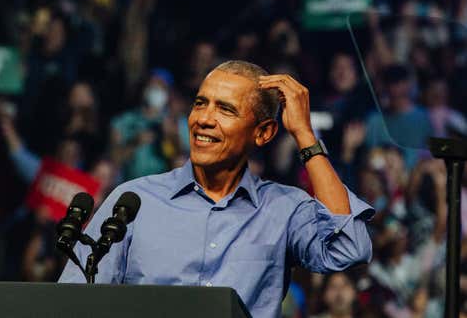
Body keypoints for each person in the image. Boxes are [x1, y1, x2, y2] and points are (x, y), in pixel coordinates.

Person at [59, 60, 374, 317]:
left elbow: (348, 248)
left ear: (263, 133)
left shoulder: (284, 208)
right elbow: (74, 300)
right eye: (200, 103)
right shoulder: (134, 202)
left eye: (226, 109)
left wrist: (305, 135)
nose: (204, 119)